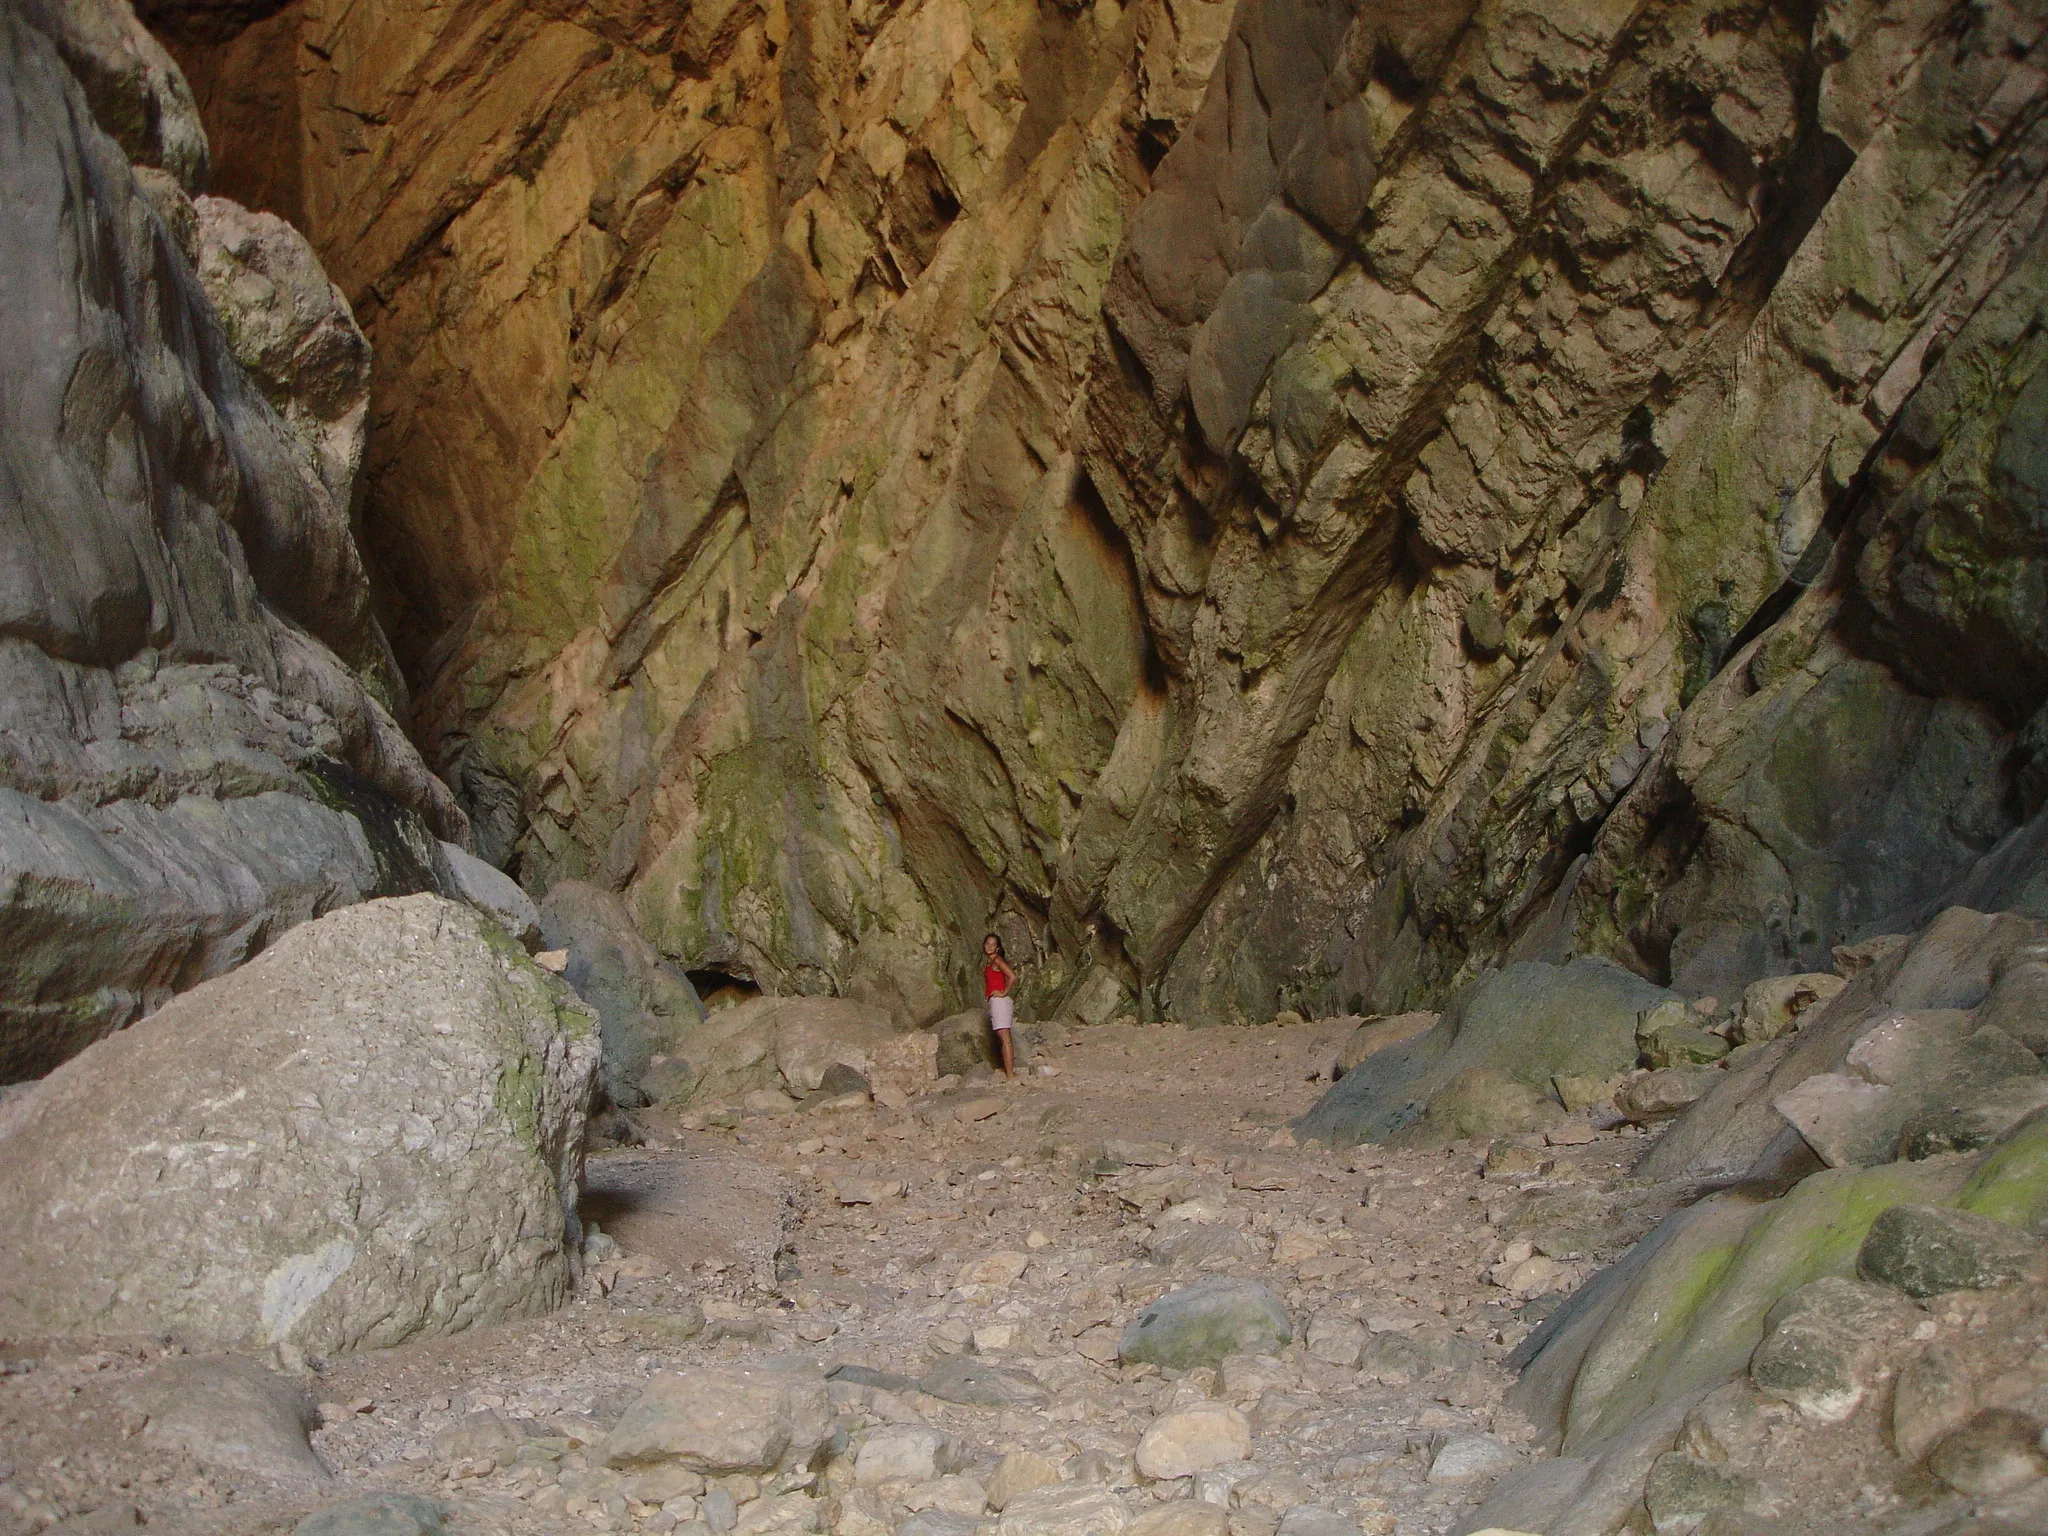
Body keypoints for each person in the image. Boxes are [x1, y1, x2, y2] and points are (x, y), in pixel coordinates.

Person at [982, 933, 1019, 1080]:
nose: (990, 946)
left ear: (997, 948)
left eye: (993, 944)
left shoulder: (997, 960)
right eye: (987, 943)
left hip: (1000, 1001)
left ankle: (1010, 1075)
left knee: (1005, 1039)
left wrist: (1003, 992)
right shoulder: (991, 963)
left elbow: (1012, 976)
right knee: (1003, 1038)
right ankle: (1009, 1072)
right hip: (995, 1001)